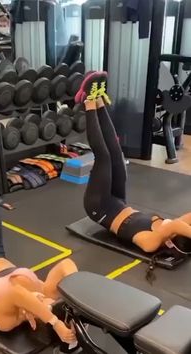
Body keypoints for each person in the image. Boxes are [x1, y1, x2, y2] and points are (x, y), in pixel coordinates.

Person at [0, 117, 77, 344]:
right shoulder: (46, 292)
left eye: (50, 310)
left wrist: (53, 321)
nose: (48, 302)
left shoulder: (6, 321)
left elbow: (15, 293)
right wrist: (75, 306)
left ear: (36, 321)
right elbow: (67, 266)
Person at [76, 71, 191, 255]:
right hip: (118, 201)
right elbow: (184, 220)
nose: (171, 224)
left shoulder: (151, 242)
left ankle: (88, 102)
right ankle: (98, 101)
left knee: (104, 157)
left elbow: (175, 226)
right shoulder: (169, 229)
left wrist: (176, 230)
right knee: (116, 153)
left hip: (99, 206)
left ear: (171, 242)